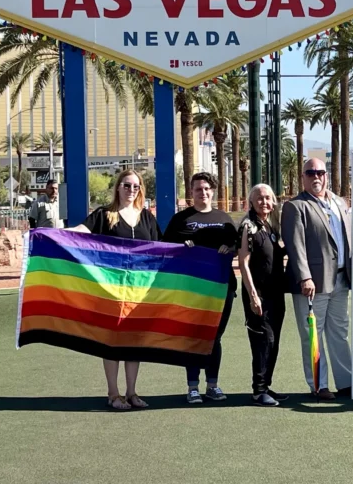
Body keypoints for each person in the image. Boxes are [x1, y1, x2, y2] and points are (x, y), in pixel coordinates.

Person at [77, 170, 160, 411]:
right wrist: (50, 234)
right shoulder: (105, 215)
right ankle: (113, 394)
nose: (131, 190)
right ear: (118, 187)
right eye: (126, 185)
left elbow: (161, 247)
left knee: (133, 342)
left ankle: (131, 393)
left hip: (139, 291)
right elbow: (81, 232)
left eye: (136, 186)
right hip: (111, 290)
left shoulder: (147, 218)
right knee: (112, 342)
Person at [281, 157, 353, 400]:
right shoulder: (295, 207)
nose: (316, 177)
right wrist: (304, 277)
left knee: (339, 333)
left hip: (341, 281)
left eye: (320, 172)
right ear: (303, 177)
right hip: (312, 285)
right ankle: (319, 385)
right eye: (310, 172)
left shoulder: (340, 203)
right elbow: (295, 245)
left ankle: (346, 383)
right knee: (313, 335)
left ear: (326, 175)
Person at [163, 172, 238, 405]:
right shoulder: (180, 220)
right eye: (198, 189)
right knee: (195, 335)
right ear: (191, 192)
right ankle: (193, 387)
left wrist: (230, 246)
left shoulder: (224, 219)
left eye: (206, 189)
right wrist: (180, 247)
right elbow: (164, 248)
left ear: (212, 191)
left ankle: (212, 385)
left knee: (215, 337)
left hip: (222, 288)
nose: (203, 193)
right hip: (191, 290)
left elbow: (238, 245)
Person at [238, 183, 288, 407]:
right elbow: (243, 262)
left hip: (276, 293)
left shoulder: (273, 226)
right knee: (262, 341)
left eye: (268, 198)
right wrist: (252, 296)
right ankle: (258, 390)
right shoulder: (248, 226)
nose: (264, 202)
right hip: (258, 295)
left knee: (274, 341)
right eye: (259, 198)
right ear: (251, 201)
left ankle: (266, 385)